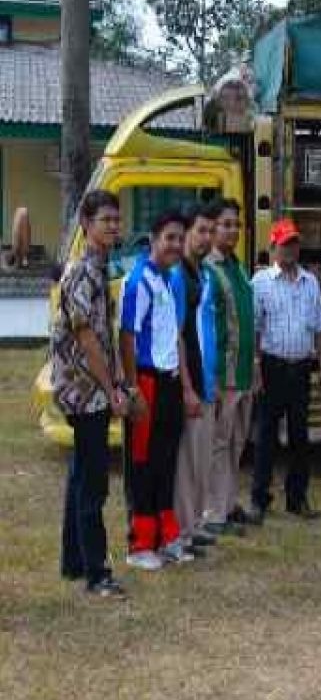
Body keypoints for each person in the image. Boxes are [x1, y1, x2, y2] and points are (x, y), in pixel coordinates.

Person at [53, 190, 138, 597]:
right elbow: (86, 339)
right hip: (85, 393)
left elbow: (105, 336)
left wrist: (118, 381)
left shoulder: (99, 268)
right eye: (106, 219)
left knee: (80, 476)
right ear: (86, 224)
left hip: (96, 390)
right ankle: (97, 575)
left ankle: (74, 561)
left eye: (117, 220)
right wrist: (111, 390)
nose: (114, 226)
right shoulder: (81, 272)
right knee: (94, 484)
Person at [250, 218, 321, 524]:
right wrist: (256, 367)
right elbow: (254, 331)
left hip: (301, 368)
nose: (290, 250)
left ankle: (297, 499)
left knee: (300, 437)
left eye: (294, 244)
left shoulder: (309, 282)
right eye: (284, 244)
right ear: (272, 247)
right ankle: (260, 499)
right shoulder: (259, 283)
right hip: (272, 367)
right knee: (266, 437)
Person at [119, 211, 189, 571]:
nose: (176, 245)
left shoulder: (167, 280)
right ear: (154, 239)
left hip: (169, 382)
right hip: (145, 380)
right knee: (142, 463)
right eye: (169, 238)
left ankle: (165, 537)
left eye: (180, 239)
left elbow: (171, 336)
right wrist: (133, 389)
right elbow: (127, 336)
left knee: (165, 461)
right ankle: (139, 544)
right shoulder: (139, 281)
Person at [169, 204, 221, 558]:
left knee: (201, 461)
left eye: (210, 231)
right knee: (185, 465)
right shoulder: (178, 277)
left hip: (206, 381)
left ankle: (191, 527)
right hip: (189, 385)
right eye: (200, 230)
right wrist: (187, 388)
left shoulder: (200, 274)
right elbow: (177, 336)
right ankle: (178, 533)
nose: (206, 238)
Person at [204, 198, 255, 534]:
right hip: (223, 375)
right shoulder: (208, 270)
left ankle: (228, 502)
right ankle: (213, 513)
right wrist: (214, 379)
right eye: (226, 224)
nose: (233, 230)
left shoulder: (237, 267)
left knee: (236, 443)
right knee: (217, 445)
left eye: (236, 224)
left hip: (245, 375)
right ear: (210, 228)